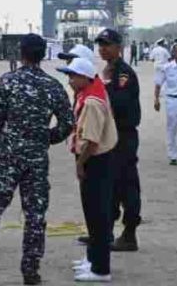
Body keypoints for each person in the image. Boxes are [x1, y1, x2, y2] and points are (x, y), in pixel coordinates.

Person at [0, 34, 74, 285]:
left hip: (8, 156)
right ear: (43, 53)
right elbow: (68, 123)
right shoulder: (53, 86)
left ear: (21, 53)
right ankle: (31, 271)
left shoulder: (8, 81)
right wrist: (46, 138)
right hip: (36, 159)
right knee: (35, 215)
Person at [57, 58, 118, 283]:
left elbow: (91, 141)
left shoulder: (91, 101)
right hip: (98, 158)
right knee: (93, 215)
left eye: (73, 76)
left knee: (97, 216)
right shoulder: (90, 91)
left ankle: (101, 269)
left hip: (96, 160)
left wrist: (80, 163)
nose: (70, 80)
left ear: (85, 77)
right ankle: (93, 259)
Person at [94, 28, 142, 252]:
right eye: (100, 44)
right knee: (109, 184)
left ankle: (129, 233)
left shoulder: (123, 73)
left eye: (107, 44)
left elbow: (119, 102)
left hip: (123, 136)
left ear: (118, 48)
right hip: (110, 135)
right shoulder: (107, 71)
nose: (103, 48)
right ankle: (105, 232)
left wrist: (100, 90)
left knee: (127, 184)